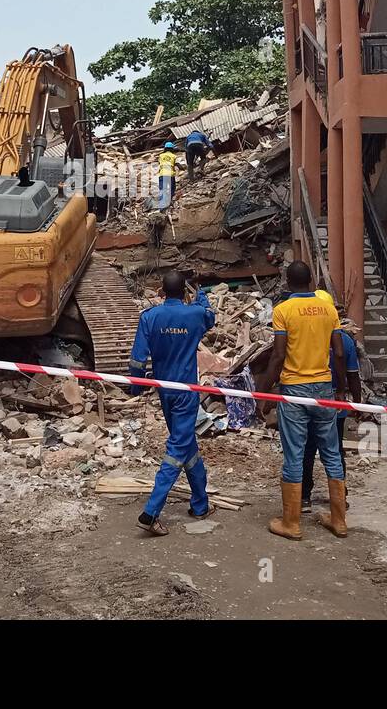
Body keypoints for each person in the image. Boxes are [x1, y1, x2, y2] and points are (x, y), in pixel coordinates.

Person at [258, 261, 347, 540]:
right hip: (323, 389)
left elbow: (278, 355)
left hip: (295, 389)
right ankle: (339, 520)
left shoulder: (283, 311)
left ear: (287, 282)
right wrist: (340, 388)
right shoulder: (329, 309)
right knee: (331, 452)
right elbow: (340, 353)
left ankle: (291, 522)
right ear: (311, 281)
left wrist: (264, 391)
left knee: (295, 453)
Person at [127, 270, 217, 535]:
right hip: (187, 390)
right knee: (178, 447)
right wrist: (200, 293)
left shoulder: (150, 317)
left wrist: (135, 387)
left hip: (164, 390)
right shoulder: (195, 314)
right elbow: (209, 315)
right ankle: (151, 512)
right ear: (184, 293)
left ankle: (200, 504)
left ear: (161, 293)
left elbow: (137, 360)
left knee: (186, 444)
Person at [301, 308, 362, 513]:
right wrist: (357, 403)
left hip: (307, 398)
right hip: (336, 402)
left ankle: (304, 497)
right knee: (335, 450)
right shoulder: (344, 340)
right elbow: (353, 374)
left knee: (307, 448)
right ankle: (339, 499)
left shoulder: (306, 334)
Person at [157, 141, 178, 209]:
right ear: (172, 149)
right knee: (172, 188)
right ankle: (169, 201)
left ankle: (162, 207)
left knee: (162, 189)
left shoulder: (161, 156)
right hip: (170, 175)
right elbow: (177, 164)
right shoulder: (174, 156)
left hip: (162, 174)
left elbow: (159, 163)